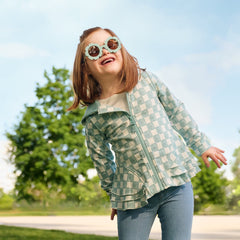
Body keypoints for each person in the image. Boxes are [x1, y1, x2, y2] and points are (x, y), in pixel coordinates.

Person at [68, 26, 227, 240]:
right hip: (133, 195)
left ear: (121, 50)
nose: (105, 51)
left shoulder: (146, 82)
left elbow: (176, 111)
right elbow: (102, 161)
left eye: (111, 44)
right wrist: (115, 196)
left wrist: (202, 145)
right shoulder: (94, 116)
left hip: (175, 181)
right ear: (85, 67)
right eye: (94, 51)